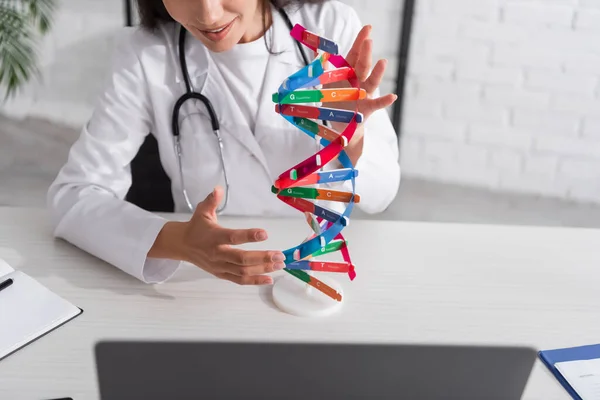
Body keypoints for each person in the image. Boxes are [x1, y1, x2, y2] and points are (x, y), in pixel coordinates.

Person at [47, 0, 401, 287]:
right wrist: (178, 242)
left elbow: (382, 193)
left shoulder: (328, 29)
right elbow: (73, 195)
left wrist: (350, 137)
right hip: (207, 284)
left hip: (320, 271)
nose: (208, 14)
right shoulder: (146, 54)